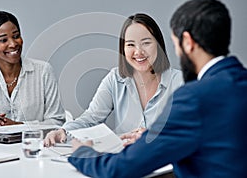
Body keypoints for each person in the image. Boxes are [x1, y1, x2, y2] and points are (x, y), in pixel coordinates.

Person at [67, 0, 247, 178]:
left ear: (187, 42)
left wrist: (83, 153)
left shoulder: (192, 97)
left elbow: (119, 169)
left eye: (175, 43)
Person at [44, 13, 183, 146]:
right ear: (123, 49)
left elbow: (191, 130)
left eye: (146, 43)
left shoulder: (180, 82)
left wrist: (154, 136)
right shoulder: (115, 79)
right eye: (130, 44)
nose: (138, 52)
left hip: (167, 163)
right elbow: (91, 118)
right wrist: (63, 131)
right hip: (126, 161)